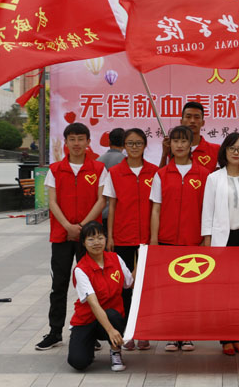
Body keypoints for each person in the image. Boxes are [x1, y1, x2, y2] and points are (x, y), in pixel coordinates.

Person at [37, 122, 107, 351]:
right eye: (72, 139)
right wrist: (68, 226)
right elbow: (52, 201)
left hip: (90, 239)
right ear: (66, 142)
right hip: (61, 236)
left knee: (90, 286)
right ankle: (55, 332)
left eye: (81, 139)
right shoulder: (56, 169)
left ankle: (91, 333)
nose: (77, 143)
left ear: (88, 142)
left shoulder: (98, 168)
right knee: (59, 284)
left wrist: (83, 227)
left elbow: (102, 201)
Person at [149, 125, 210, 353]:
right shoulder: (161, 174)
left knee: (191, 291)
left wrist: (205, 239)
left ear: (190, 144)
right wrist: (154, 240)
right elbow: (156, 209)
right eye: (175, 141)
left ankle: (187, 334)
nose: (180, 145)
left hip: (193, 241)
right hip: (166, 241)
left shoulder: (204, 174)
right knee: (169, 290)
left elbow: (207, 210)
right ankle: (172, 334)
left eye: (184, 141)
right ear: (170, 145)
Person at [201, 133, 239, 356]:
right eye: (232, 148)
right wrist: (207, 240)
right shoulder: (214, 178)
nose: (236, 152)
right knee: (223, 291)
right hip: (223, 239)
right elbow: (207, 211)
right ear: (224, 151)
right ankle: (225, 338)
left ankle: (237, 337)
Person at [104, 128, 156, 351]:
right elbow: (112, 206)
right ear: (124, 146)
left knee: (145, 286)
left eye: (138, 143)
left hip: (147, 238)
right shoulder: (115, 172)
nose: (134, 147)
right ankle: (127, 331)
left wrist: (154, 237)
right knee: (125, 286)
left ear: (145, 145)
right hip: (122, 236)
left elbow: (157, 207)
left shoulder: (155, 172)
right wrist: (110, 236)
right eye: (130, 143)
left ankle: (143, 331)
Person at [67, 221, 133, 372]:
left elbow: (130, 283)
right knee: (78, 362)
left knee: (113, 315)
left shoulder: (116, 259)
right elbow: (94, 304)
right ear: (83, 243)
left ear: (105, 239)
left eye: (100, 238)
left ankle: (115, 352)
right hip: (87, 319)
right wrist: (110, 331)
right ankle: (88, 341)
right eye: (91, 239)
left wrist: (143, 260)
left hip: (111, 316)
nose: (96, 242)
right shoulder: (80, 270)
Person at [160, 102, 219, 172]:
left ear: (203, 122)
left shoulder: (216, 149)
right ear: (181, 121)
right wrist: (164, 155)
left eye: (197, 117)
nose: (192, 121)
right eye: (188, 117)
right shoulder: (171, 148)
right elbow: (160, 176)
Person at [98, 128, 126, 219]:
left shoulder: (98, 161)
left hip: (99, 212)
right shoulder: (126, 162)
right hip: (118, 212)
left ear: (109, 141)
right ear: (125, 143)